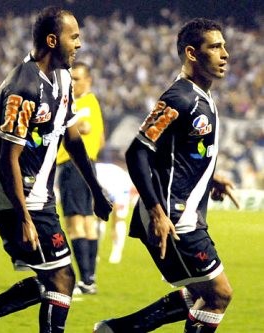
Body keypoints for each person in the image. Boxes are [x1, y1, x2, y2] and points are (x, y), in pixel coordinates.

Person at [0, 6, 112, 333]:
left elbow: (72, 137)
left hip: (40, 195)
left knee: (51, 278)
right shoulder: (22, 87)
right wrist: (23, 216)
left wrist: (95, 188)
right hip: (16, 197)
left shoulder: (64, 78)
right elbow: (9, 157)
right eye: (73, 37)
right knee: (62, 279)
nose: (79, 44)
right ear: (52, 40)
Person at [94, 18, 237, 333]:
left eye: (224, 46)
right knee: (218, 295)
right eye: (215, 47)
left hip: (182, 213)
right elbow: (137, 151)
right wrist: (158, 212)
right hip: (174, 216)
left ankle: (116, 330)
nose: (225, 53)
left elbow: (178, 152)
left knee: (200, 292)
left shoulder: (200, 96)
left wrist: (212, 177)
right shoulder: (180, 97)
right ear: (191, 53)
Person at [56, 61, 105, 294]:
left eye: (77, 79)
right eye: (70, 78)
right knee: (87, 222)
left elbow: (83, 126)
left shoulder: (83, 103)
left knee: (75, 223)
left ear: (88, 80)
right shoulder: (91, 103)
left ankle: (85, 280)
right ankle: (90, 279)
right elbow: (101, 138)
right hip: (88, 166)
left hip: (72, 166)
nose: (72, 83)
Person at [94, 160, 133, 264]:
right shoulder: (86, 176)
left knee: (119, 219)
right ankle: (94, 252)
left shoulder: (117, 182)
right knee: (98, 219)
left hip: (119, 186)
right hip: (101, 185)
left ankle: (117, 252)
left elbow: (116, 205)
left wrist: (113, 227)